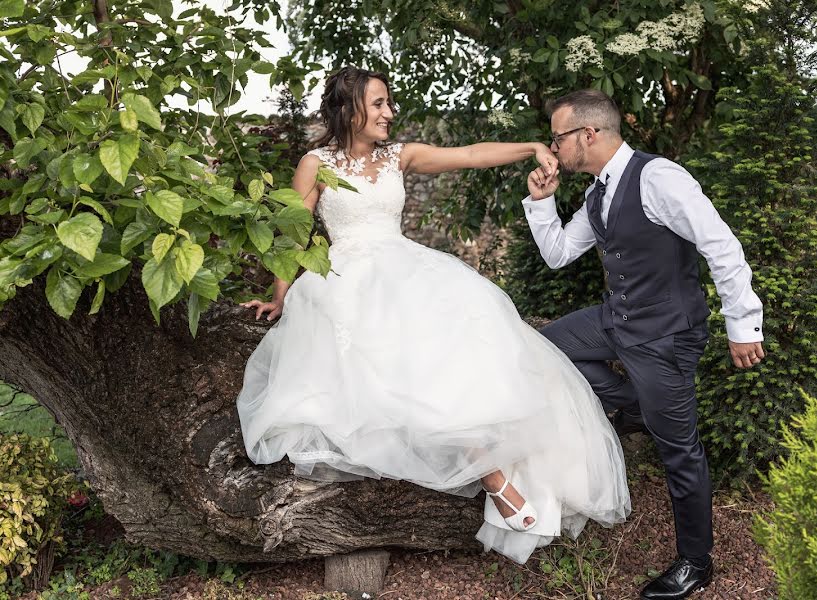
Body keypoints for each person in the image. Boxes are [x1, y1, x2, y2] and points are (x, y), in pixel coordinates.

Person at [235, 67, 630, 564]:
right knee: (395, 367)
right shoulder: (315, 164)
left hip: (405, 270)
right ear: (348, 108)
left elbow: (468, 156)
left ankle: (495, 470)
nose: (388, 113)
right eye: (378, 104)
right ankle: (494, 480)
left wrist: (530, 147)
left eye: (388, 104)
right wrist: (278, 295)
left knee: (457, 353)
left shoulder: (399, 156)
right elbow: (292, 235)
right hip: (343, 282)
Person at [522, 89, 765, 599]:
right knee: (543, 349)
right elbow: (560, 253)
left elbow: (721, 246)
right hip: (619, 320)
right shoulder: (597, 193)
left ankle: (696, 563)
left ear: (588, 135)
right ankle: (634, 407)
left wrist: (743, 326)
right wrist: (541, 203)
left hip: (665, 335)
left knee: (680, 452)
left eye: (558, 137)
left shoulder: (659, 179)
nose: (553, 148)